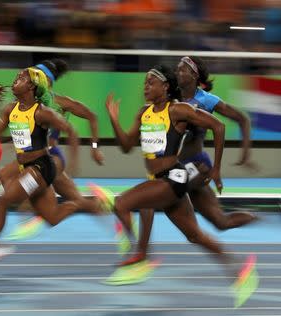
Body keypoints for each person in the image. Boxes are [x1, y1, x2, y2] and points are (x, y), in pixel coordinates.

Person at [90, 65, 258, 307]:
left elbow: (218, 127)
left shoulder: (177, 110)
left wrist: (217, 168)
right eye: (144, 83)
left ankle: (140, 258)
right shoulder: (143, 113)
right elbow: (126, 146)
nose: (145, 87)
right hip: (161, 181)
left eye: (151, 83)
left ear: (165, 87)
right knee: (195, 235)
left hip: (173, 178)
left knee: (121, 203)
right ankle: (241, 271)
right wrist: (114, 119)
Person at [124, 56, 259, 270]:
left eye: (182, 69)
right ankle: (256, 221)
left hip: (197, 165)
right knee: (220, 222)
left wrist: (243, 155)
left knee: (149, 197)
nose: (177, 72)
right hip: (176, 168)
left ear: (194, 76)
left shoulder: (206, 100)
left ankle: (141, 254)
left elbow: (241, 119)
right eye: (176, 69)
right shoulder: (172, 100)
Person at [0, 66, 85, 268]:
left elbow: (71, 130)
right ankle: (87, 203)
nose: (16, 79)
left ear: (31, 86)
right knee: (52, 217)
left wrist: (75, 165)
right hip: (26, 167)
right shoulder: (10, 110)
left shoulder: (43, 113)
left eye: (22, 78)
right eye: (17, 76)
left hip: (42, 167)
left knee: (3, 202)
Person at [4, 59, 105, 240]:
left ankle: (29, 218)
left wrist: (94, 148)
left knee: (19, 181)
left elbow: (92, 117)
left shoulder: (60, 102)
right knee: (76, 200)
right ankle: (106, 205)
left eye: (36, 76)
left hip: (52, 158)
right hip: (37, 160)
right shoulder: (23, 104)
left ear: (46, 81)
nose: (31, 79)